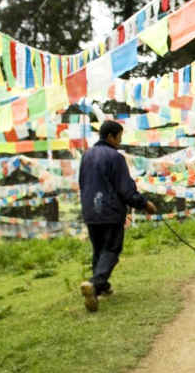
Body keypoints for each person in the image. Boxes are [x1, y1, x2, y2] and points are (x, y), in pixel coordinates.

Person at [78, 120, 157, 312]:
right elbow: (125, 189)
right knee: (112, 250)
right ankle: (95, 284)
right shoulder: (115, 157)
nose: (120, 141)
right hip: (110, 211)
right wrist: (144, 204)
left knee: (99, 250)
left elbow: (82, 183)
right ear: (110, 136)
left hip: (90, 210)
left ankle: (101, 288)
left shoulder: (86, 155)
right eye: (119, 137)